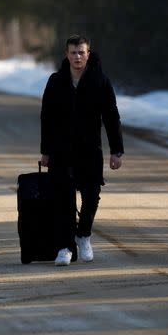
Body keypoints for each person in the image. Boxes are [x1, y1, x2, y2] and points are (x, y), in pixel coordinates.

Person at [40, 34, 124, 266]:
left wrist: (116, 150)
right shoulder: (56, 81)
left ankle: (83, 234)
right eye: (73, 52)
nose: (77, 57)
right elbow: (46, 117)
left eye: (81, 52)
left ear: (88, 54)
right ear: (66, 55)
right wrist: (45, 150)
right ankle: (65, 247)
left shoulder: (100, 81)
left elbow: (111, 116)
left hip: (89, 150)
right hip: (60, 151)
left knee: (91, 196)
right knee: (63, 199)